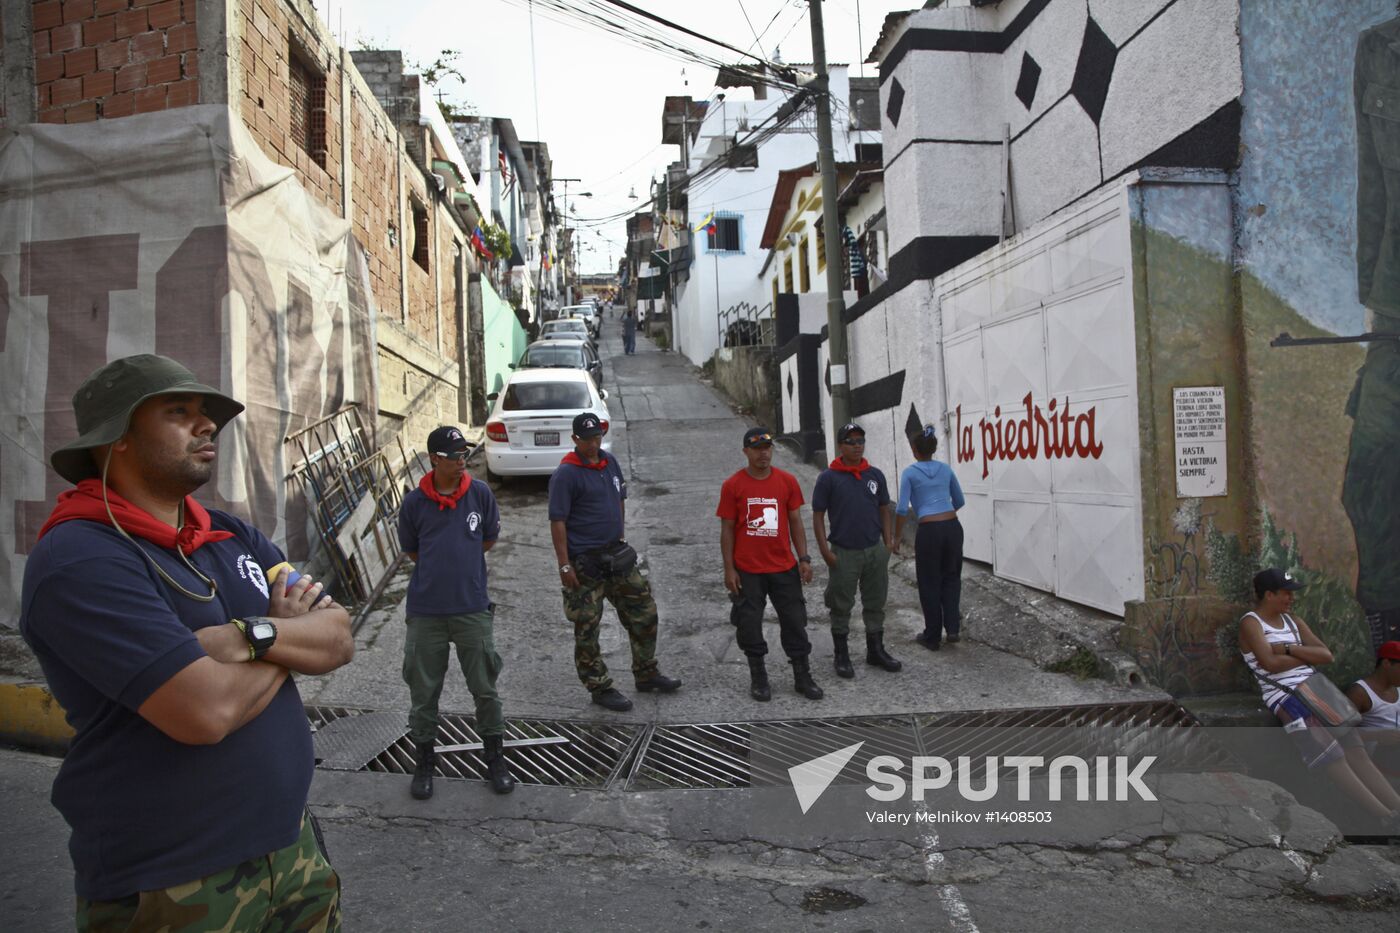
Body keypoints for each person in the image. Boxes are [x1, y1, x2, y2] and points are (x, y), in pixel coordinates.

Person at [19, 354, 353, 930]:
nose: (207, 426)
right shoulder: (80, 558)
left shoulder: (230, 534)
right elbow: (206, 711)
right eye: (179, 412)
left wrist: (249, 635)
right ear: (116, 438)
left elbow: (339, 635)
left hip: (292, 850)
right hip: (173, 883)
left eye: (207, 414)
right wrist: (285, 638)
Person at [397, 425, 515, 799]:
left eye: (465, 454)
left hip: (471, 608)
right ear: (434, 459)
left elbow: (488, 539)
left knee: (485, 688)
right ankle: (424, 763)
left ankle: (495, 759)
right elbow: (413, 551)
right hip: (426, 611)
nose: (462, 461)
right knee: (424, 691)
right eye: (454, 456)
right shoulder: (415, 502)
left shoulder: (479, 494)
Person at [1240, 568, 1400, 822]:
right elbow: (1269, 664)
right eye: (1285, 593)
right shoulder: (1251, 623)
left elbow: (1326, 655)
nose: (1291, 599)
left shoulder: (1293, 621)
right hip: (1286, 698)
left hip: (1315, 688)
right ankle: (1385, 817)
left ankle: (1397, 807)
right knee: (1332, 757)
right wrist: (1303, 655)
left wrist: (1287, 648)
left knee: (1355, 748)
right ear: (1269, 595)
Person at [549, 413, 681, 711]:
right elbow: (557, 521)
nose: (593, 443)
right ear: (575, 440)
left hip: (616, 557)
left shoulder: (609, 462)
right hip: (584, 564)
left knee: (644, 611)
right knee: (587, 627)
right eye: (586, 439)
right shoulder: (566, 474)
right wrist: (564, 564)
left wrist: (619, 533)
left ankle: (646, 672)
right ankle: (599, 687)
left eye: (596, 437)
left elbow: (619, 497)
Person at [718, 427, 823, 701]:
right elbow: (727, 529)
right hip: (748, 570)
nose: (763, 453)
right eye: (757, 449)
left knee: (794, 621)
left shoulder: (787, 481)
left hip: (783, 567)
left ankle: (802, 676)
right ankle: (759, 677)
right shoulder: (733, 485)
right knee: (749, 623)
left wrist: (804, 558)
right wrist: (729, 568)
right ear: (746, 452)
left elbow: (796, 522)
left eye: (767, 448)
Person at [812, 422, 901, 678]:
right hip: (844, 552)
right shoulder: (829, 478)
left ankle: (876, 650)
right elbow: (818, 516)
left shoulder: (874, 475)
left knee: (875, 602)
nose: (857, 446)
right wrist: (824, 551)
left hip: (874, 550)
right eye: (851, 442)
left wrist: (888, 542)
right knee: (841, 605)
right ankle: (842, 655)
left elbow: (883, 508)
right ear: (841, 446)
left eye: (860, 441)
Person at [892, 424, 965, 650]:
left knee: (929, 581)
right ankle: (952, 628)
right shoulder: (945, 469)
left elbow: (902, 508)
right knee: (951, 577)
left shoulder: (910, 473)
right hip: (952, 526)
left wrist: (896, 538)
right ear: (933, 447)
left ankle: (932, 636)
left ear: (914, 449)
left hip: (929, 530)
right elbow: (959, 500)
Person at [1347, 641, 1400, 765]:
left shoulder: (1397, 686)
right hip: (1381, 754)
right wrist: (1377, 736)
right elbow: (1342, 733)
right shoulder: (1360, 693)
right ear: (1386, 663)